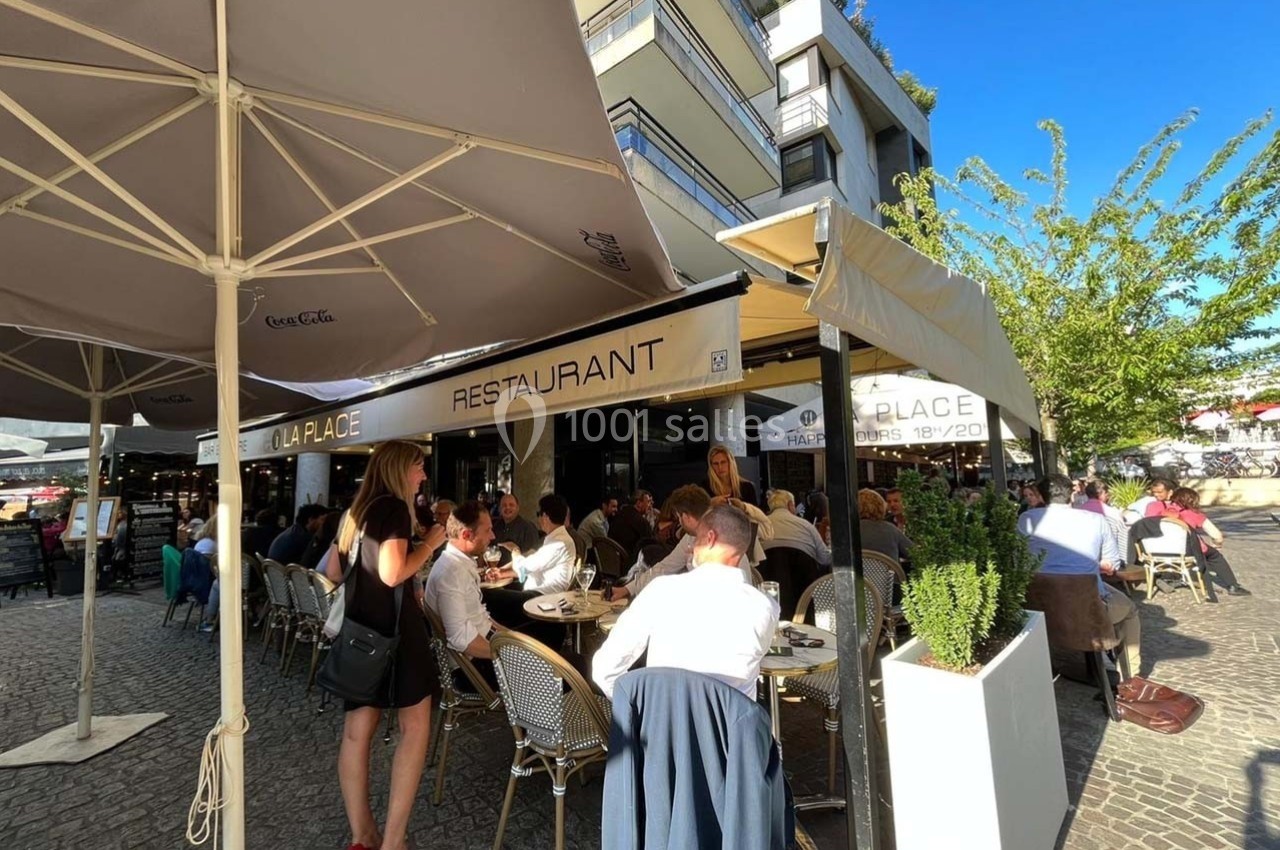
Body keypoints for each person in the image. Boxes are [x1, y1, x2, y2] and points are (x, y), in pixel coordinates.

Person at [323, 440, 445, 850]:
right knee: (415, 729)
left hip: (360, 631)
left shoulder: (355, 511)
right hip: (398, 633)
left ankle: (363, 835)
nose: (423, 475)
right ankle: (393, 842)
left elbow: (333, 570)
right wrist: (429, 545)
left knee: (356, 735)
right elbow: (393, 573)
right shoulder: (393, 508)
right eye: (418, 467)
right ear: (399, 469)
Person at [593, 505, 778, 698]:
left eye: (696, 538)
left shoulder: (660, 592)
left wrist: (639, 707)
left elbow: (605, 668)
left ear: (710, 539)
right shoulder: (765, 608)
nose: (690, 546)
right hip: (731, 717)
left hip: (664, 714)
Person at [1018, 475, 1141, 677]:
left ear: (1040, 495)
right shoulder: (1096, 520)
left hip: (1041, 606)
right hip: (1088, 606)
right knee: (1130, 611)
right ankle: (1131, 675)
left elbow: (1018, 559)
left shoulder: (1026, 519)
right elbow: (1111, 564)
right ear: (1073, 494)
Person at [610, 485, 752, 602]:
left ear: (685, 516)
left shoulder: (722, 542)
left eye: (678, 517)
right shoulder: (690, 538)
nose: (679, 521)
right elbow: (665, 567)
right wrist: (627, 589)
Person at [1151, 488, 1250, 597]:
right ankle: (1233, 586)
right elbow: (1217, 535)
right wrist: (1217, 545)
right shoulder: (1194, 514)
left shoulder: (1161, 512)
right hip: (1188, 551)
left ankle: (1173, 578)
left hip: (1158, 551)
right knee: (1214, 556)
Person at [497, 494, 576, 593]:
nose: (538, 519)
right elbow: (530, 566)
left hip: (542, 597)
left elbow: (524, 567)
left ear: (545, 516)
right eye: (504, 505)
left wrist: (515, 550)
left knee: (491, 596)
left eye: (538, 514)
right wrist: (500, 573)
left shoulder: (559, 543)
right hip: (534, 593)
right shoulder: (555, 539)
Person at [761, 489, 831, 568]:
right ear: (790, 505)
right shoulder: (806, 525)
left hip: (767, 572)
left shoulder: (761, 525)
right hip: (804, 573)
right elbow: (825, 558)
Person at [858, 489, 915, 563]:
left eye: (896, 501)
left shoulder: (848, 531)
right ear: (881, 506)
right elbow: (914, 554)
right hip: (890, 570)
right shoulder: (890, 529)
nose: (892, 505)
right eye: (889, 502)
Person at [608, 489, 655, 557]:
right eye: (648, 502)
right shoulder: (641, 522)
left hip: (611, 558)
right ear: (639, 503)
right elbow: (651, 547)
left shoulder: (617, 515)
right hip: (630, 560)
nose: (650, 506)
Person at [194, 515, 220, 633]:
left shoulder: (203, 542)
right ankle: (211, 619)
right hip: (206, 580)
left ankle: (211, 618)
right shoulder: (212, 545)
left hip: (197, 578)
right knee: (219, 584)